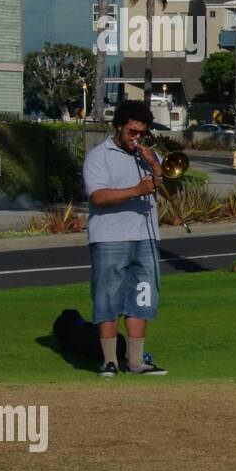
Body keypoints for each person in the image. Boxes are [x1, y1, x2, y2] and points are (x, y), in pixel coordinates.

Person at [82, 101, 168, 377]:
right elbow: (98, 196)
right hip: (110, 238)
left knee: (142, 299)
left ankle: (136, 361)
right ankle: (109, 361)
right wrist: (136, 189)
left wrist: (157, 168)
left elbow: (171, 194)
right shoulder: (99, 155)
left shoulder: (148, 156)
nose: (137, 138)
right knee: (107, 298)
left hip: (146, 238)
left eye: (142, 133)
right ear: (119, 126)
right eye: (132, 132)